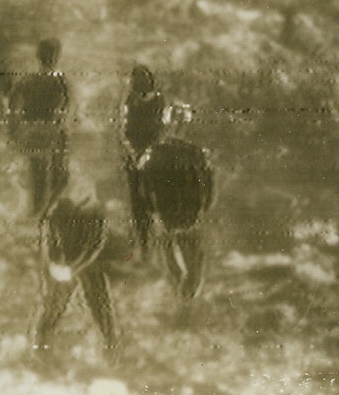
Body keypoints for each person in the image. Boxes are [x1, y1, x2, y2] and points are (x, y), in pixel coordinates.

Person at [33, 197, 120, 360]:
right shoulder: (57, 211)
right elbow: (49, 240)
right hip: (62, 262)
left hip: (87, 263)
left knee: (99, 304)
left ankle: (110, 345)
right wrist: (56, 264)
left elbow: (94, 245)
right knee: (53, 304)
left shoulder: (95, 215)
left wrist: (74, 267)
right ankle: (40, 345)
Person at [121, 65, 190, 255]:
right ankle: (150, 242)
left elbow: (128, 131)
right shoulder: (151, 100)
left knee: (139, 201)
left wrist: (139, 153)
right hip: (147, 153)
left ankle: (149, 242)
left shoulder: (137, 101)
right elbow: (131, 131)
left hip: (146, 153)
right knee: (143, 200)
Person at [137, 137, 215, 301]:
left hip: (178, 203)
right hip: (180, 205)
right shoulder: (193, 154)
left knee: (174, 241)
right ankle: (186, 286)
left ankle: (185, 285)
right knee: (175, 241)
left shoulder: (189, 218)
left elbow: (208, 181)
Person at [8, 38, 70, 218]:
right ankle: (42, 214)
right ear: (55, 57)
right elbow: (64, 109)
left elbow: (13, 108)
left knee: (41, 178)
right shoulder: (59, 81)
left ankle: (40, 214)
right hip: (50, 133)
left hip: (35, 132)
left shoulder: (27, 80)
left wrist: (15, 133)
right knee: (54, 178)